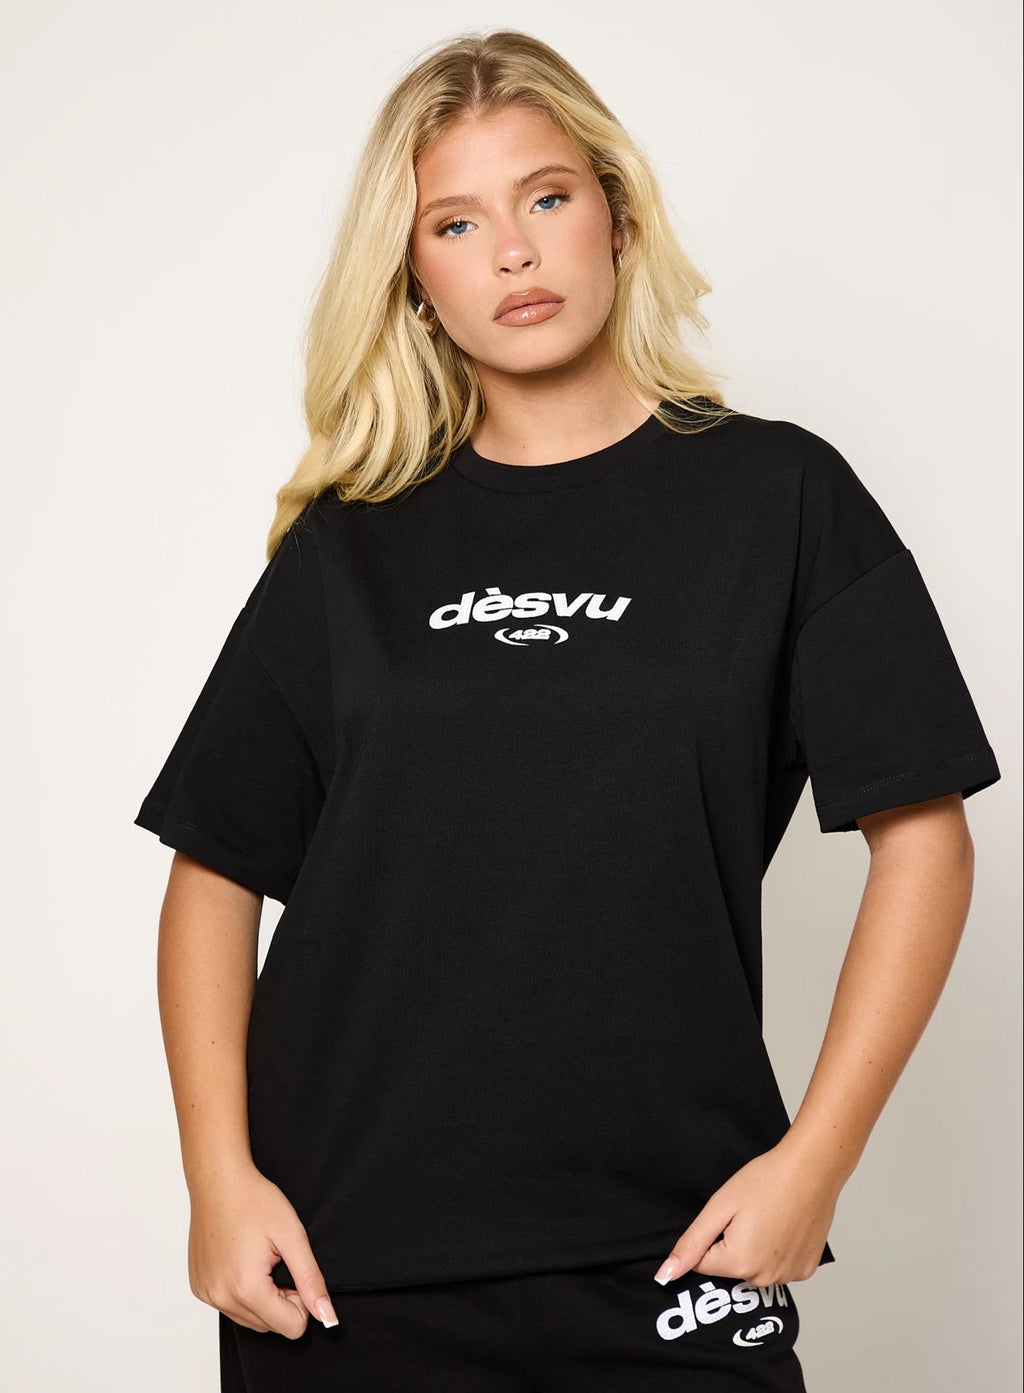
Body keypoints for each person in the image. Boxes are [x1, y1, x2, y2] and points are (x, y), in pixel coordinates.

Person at [133, 28, 1002, 1393]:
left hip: (674, 1249)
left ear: (618, 216)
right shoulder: (350, 547)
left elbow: (925, 837)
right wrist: (218, 1178)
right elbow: (213, 869)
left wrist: (815, 1163)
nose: (513, 251)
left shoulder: (778, 499)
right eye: (457, 223)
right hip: (347, 1266)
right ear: (417, 280)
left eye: (547, 197)